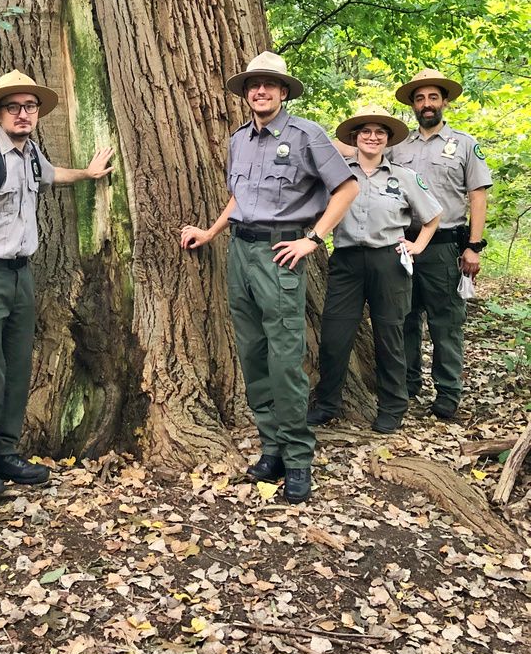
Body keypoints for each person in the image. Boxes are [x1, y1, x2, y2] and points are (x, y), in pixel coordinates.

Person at [180, 52, 358, 504]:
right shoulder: (239, 139)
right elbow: (238, 198)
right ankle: (272, 449)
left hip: (282, 255)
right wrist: (211, 231)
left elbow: (348, 188)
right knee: (253, 355)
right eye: (253, 85)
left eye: (270, 85)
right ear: (246, 94)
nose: (261, 91)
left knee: (284, 359)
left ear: (283, 92)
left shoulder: (306, 135)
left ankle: (299, 459)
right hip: (240, 251)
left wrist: (313, 240)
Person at [0, 70, 113, 502]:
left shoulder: (30, 155)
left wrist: (87, 174)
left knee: (16, 368)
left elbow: (52, 175)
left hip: (20, 275)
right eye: (13, 106)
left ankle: (5, 452)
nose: (23, 113)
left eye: (30, 106)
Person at [309, 106, 441, 433]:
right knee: (336, 336)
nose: (372, 137)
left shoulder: (404, 177)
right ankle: (327, 403)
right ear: (355, 138)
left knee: (390, 335)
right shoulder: (338, 175)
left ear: (387, 139)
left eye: (379, 132)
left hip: (389, 262)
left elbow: (432, 216)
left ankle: (393, 407)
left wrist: (419, 245)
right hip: (346, 261)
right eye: (365, 131)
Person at [390, 68, 492, 420]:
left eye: (433, 97)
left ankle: (448, 392)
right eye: (420, 98)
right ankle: (407, 383)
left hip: (445, 246)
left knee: (445, 321)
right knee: (404, 317)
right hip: (403, 244)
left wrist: (473, 246)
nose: (427, 104)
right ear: (413, 105)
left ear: (444, 101)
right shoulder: (397, 147)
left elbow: (477, 196)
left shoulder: (463, 144)